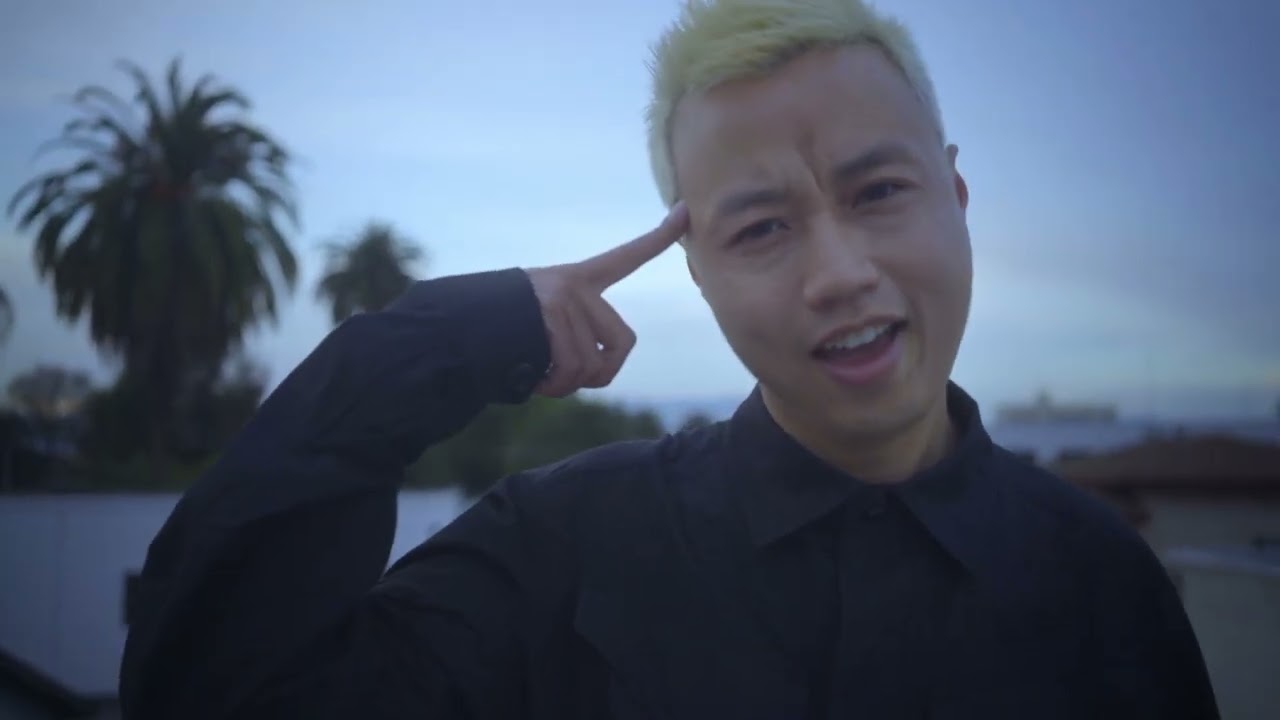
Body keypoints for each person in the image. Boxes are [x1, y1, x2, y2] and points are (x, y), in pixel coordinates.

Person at [119, 1, 1220, 718]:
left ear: (957, 197)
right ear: (697, 275)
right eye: (761, 227)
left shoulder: (1101, 581)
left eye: (878, 191)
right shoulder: (559, 546)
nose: (837, 273)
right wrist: (454, 338)